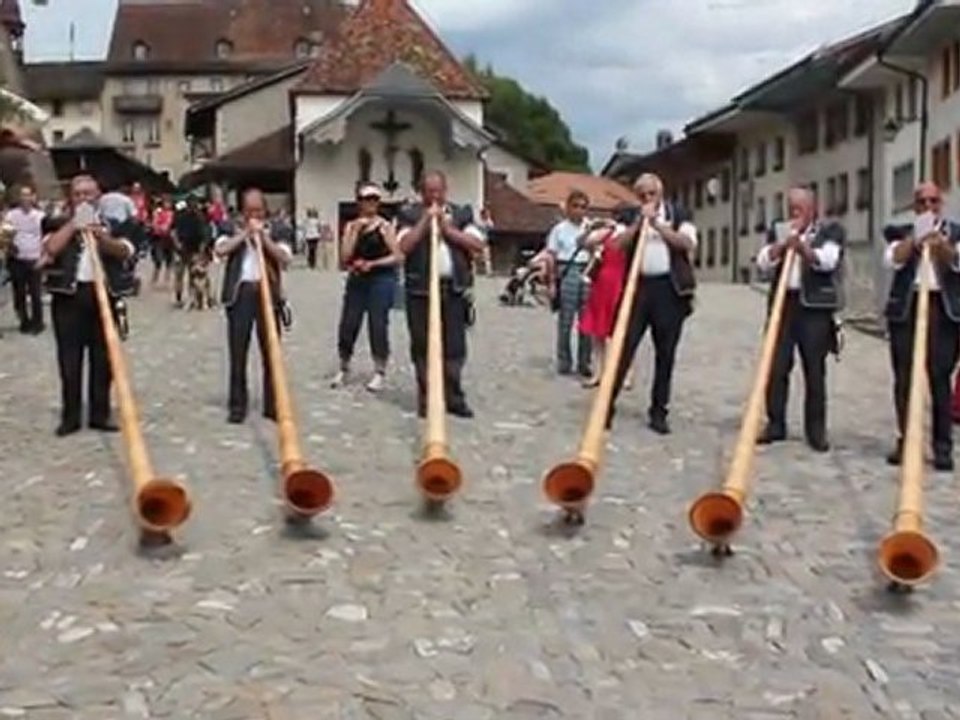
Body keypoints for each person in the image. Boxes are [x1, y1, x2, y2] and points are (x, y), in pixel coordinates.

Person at [39, 174, 136, 436]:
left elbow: (126, 251)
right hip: (69, 298)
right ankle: (70, 416)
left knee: (103, 361)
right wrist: (73, 225)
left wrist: (102, 237)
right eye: (78, 194)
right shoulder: (56, 223)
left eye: (88, 194)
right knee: (70, 361)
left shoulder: (115, 223)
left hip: (104, 294)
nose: (83, 198)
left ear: (98, 196)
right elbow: (50, 249)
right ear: (71, 198)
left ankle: (99, 414)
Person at [754, 187, 844, 452]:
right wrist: (782, 246)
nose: (794, 213)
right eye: (791, 208)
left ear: (812, 209)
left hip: (814, 307)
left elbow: (828, 261)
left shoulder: (829, 231)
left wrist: (803, 248)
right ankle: (775, 423)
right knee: (777, 365)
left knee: (814, 369)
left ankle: (816, 430)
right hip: (784, 304)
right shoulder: (778, 230)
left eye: (799, 208)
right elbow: (762, 262)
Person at [607, 173, 697, 434]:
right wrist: (638, 225)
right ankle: (607, 405)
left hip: (669, 291)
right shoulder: (631, 215)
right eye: (642, 195)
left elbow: (687, 243)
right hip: (638, 289)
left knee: (665, 354)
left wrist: (658, 226)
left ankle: (659, 411)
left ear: (660, 193)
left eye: (651, 194)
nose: (646, 199)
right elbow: (615, 245)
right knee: (624, 348)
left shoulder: (678, 213)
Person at [883, 181, 960, 471]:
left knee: (939, 376)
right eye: (922, 203)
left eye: (933, 202)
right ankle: (907, 440)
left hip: (943, 308)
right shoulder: (900, 232)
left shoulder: (955, 231)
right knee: (904, 377)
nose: (928, 207)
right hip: (907, 307)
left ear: (941, 204)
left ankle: (942, 446)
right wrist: (915, 239)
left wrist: (943, 247)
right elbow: (892, 260)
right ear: (914, 206)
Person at [398, 170, 486, 419]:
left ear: (446, 190)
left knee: (455, 347)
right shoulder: (408, 214)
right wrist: (426, 221)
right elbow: (404, 246)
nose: (435, 195)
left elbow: (477, 244)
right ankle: (427, 399)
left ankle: (453, 397)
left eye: (439, 190)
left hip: (454, 289)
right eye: (429, 191)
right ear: (421, 192)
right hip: (420, 290)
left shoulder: (461, 213)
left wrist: (448, 230)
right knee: (422, 345)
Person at [214, 188, 292, 424]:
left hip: (268, 292)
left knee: (271, 353)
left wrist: (264, 239)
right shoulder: (230, 226)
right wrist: (244, 236)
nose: (254, 215)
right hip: (240, 293)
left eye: (258, 210)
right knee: (238, 352)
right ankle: (237, 405)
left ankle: (272, 404)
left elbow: (285, 257)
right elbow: (220, 249)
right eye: (249, 211)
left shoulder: (278, 228)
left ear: (265, 210)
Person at [330, 183, 402, 392]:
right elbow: (344, 256)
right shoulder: (351, 226)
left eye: (374, 199)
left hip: (381, 278)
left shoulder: (385, 227)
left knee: (377, 323)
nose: (370, 204)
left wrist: (374, 264)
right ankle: (344, 365)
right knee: (349, 323)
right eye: (366, 199)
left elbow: (397, 256)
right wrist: (356, 231)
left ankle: (379, 369)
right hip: (358, 278)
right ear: (359, 202)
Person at [578, 205, 637, 389]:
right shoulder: (608, 233)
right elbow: (585, 242)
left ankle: (624, 373)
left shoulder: (630, 236)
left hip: (619, 283)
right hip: (602, 284)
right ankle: (601, 372)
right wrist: (599, 227)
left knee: (619, 331)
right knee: (599, 331)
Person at [546, 190, 600, 378]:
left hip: (586, 269)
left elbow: (597, 251)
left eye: (583, 206)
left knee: (586, 320)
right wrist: (551, 282)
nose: (579, 210)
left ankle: (584, 362)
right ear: (568, 207)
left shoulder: (591, 227)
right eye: (575, 206)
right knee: (565, 320)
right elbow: (551, 256)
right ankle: (564, 361)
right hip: (566, 269)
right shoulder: (559, 229)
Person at [4, 184, 46, 334]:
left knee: (35, 293)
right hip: (17, 259)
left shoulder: (40, 216)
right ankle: (24, 321)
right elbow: (6, 235)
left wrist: (44, 255)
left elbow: (45, 237)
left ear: (33, 197)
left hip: (35, 257)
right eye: (22, 195)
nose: (25, 198)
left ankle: (38, 322)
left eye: (28, 195)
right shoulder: (12, 215)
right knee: (19, 293)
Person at [172, 195, 210, 307]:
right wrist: (177, 243)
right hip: (183, 247)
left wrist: (202, 249)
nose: (193, 206)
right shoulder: (181, 216)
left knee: (191, 274)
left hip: (193, 248)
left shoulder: (200, 217)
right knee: (181, 274)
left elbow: (205, 234)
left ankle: (190, 298)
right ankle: (180, 297)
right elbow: (173, 231)